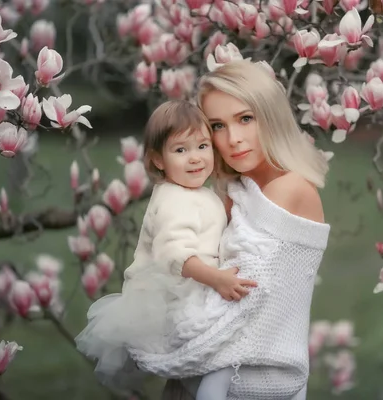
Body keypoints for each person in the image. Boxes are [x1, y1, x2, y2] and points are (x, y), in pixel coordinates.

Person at [129, 60, 332, 400]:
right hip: (206, 372)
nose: (234, 139)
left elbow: (245, 297)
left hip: (245, 380)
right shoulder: (234, 190)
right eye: (218, 126)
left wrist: (172, 349)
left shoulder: (290, 189)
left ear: (270, 116)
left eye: (245, 119)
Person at [74, 100, 258, 396]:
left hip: (189, 288)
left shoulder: (194, 192)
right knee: (219, 354)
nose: (195, 158)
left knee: (202, 370)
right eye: (180, 150)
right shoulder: (175, 200)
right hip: (174, 297)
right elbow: (176, 255)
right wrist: (218, 279)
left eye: (202, 146)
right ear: (158, 160)